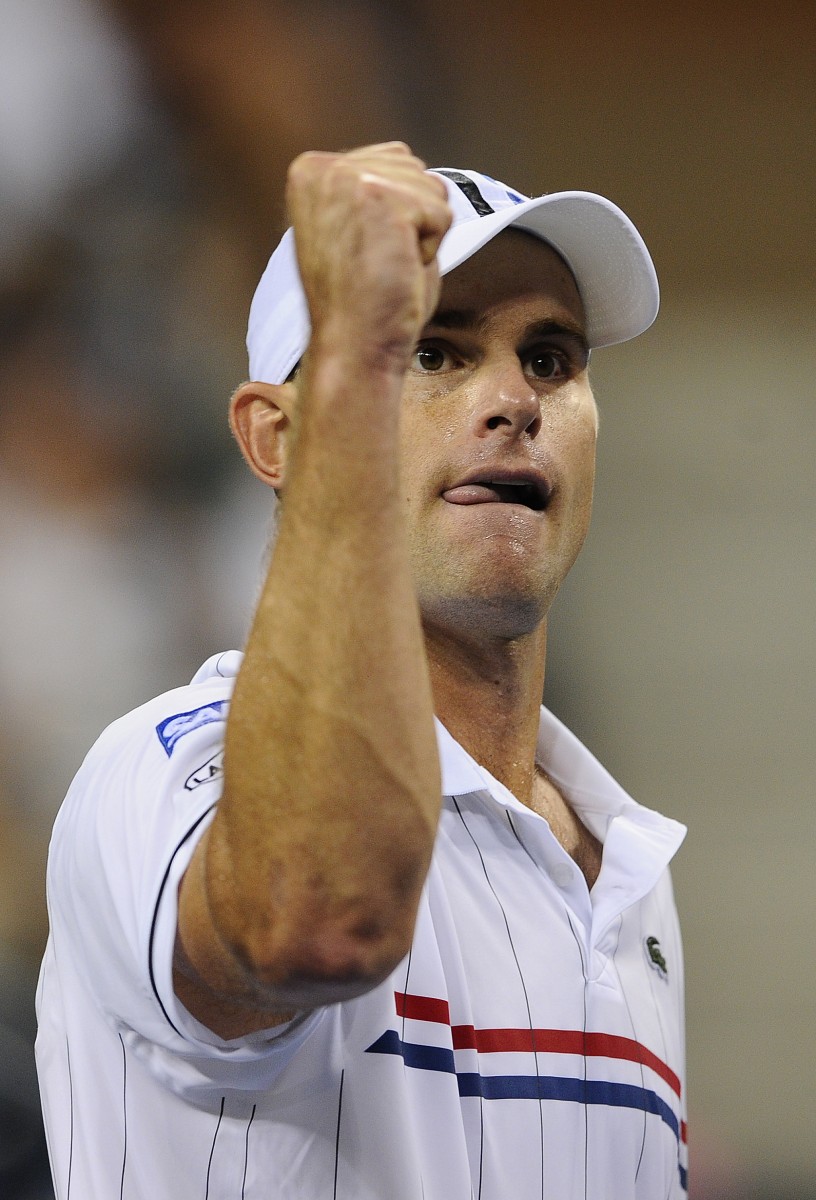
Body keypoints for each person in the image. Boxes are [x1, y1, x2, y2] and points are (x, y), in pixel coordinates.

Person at [35, 142, 687, 1199]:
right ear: (277, 439)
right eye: (430, 352)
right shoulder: (162, 774)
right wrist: (356, 350)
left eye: (551, 358)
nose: (514, 399)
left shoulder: (627, 875)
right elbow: (319, 922)